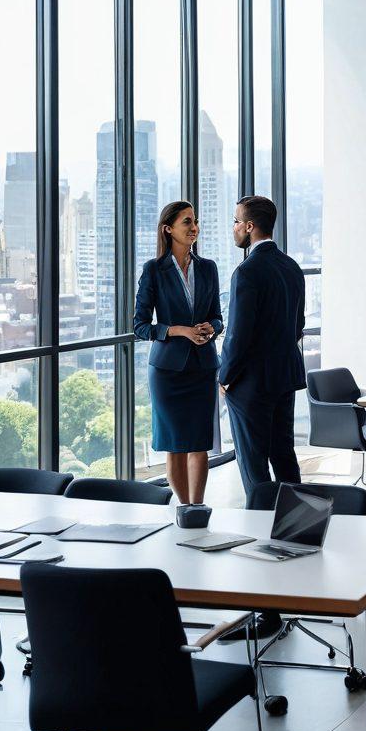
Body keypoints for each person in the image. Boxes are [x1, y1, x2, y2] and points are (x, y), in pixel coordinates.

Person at [133, 201, 222, 506]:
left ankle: (197, 508)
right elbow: (140, 326)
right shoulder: (154, 271)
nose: (194, 227)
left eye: (195, 221)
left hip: (202, 367)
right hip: (168, 372)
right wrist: (180, 330)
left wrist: (212, 327)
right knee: (175, 445)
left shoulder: (208, 267)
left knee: (199, 444)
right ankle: (182, 509)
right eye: (187, 222)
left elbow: (218, 316)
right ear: (168, 229)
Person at [219, 195, 306, 502]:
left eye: (235, 222)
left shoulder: (247, 271)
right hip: (284, 377)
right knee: (284, 455)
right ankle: (298, 526)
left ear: (250, 226)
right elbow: (298, 325)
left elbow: (238, 335)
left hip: (251, 384)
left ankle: (260, 531)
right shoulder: (292, 267)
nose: (234, 228)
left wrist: (224, 376)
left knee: (253, 462)